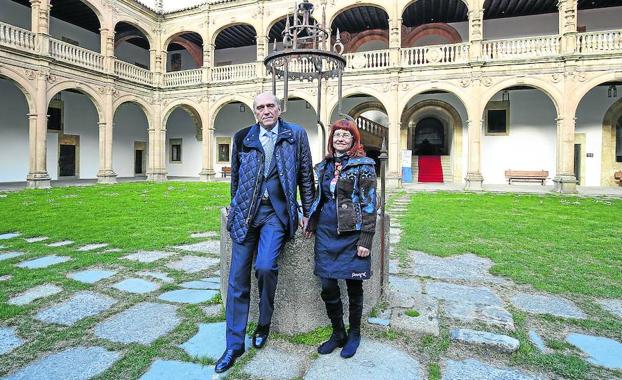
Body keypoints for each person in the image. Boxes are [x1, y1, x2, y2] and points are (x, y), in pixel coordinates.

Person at [216, 92, 315, 373]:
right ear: (255, 112)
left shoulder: (295, 135)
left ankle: (263, 323)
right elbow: (235, 178)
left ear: (279, 109)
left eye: (270, 106)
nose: (266, 110)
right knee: (237, 278)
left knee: (265, 266)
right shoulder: (242, 136)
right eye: (260, 107)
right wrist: (236, 206)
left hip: (276, 213)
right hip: (247, 214)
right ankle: (234, 345)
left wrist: (307, 212)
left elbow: (306, 175)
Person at [305, 119, 377, 359]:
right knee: (327, 285)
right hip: (326, 234)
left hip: (352, 234)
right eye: (337, 135)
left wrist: (366, 239)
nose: (341, 139)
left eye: (347, 135)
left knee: (354, 286)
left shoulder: (364, 165)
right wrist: (312, 220)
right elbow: (322, 197)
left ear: (354, 140)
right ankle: (338, 333)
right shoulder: (325, 165)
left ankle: (354, 333)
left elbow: (369, 203)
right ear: (331, 139)